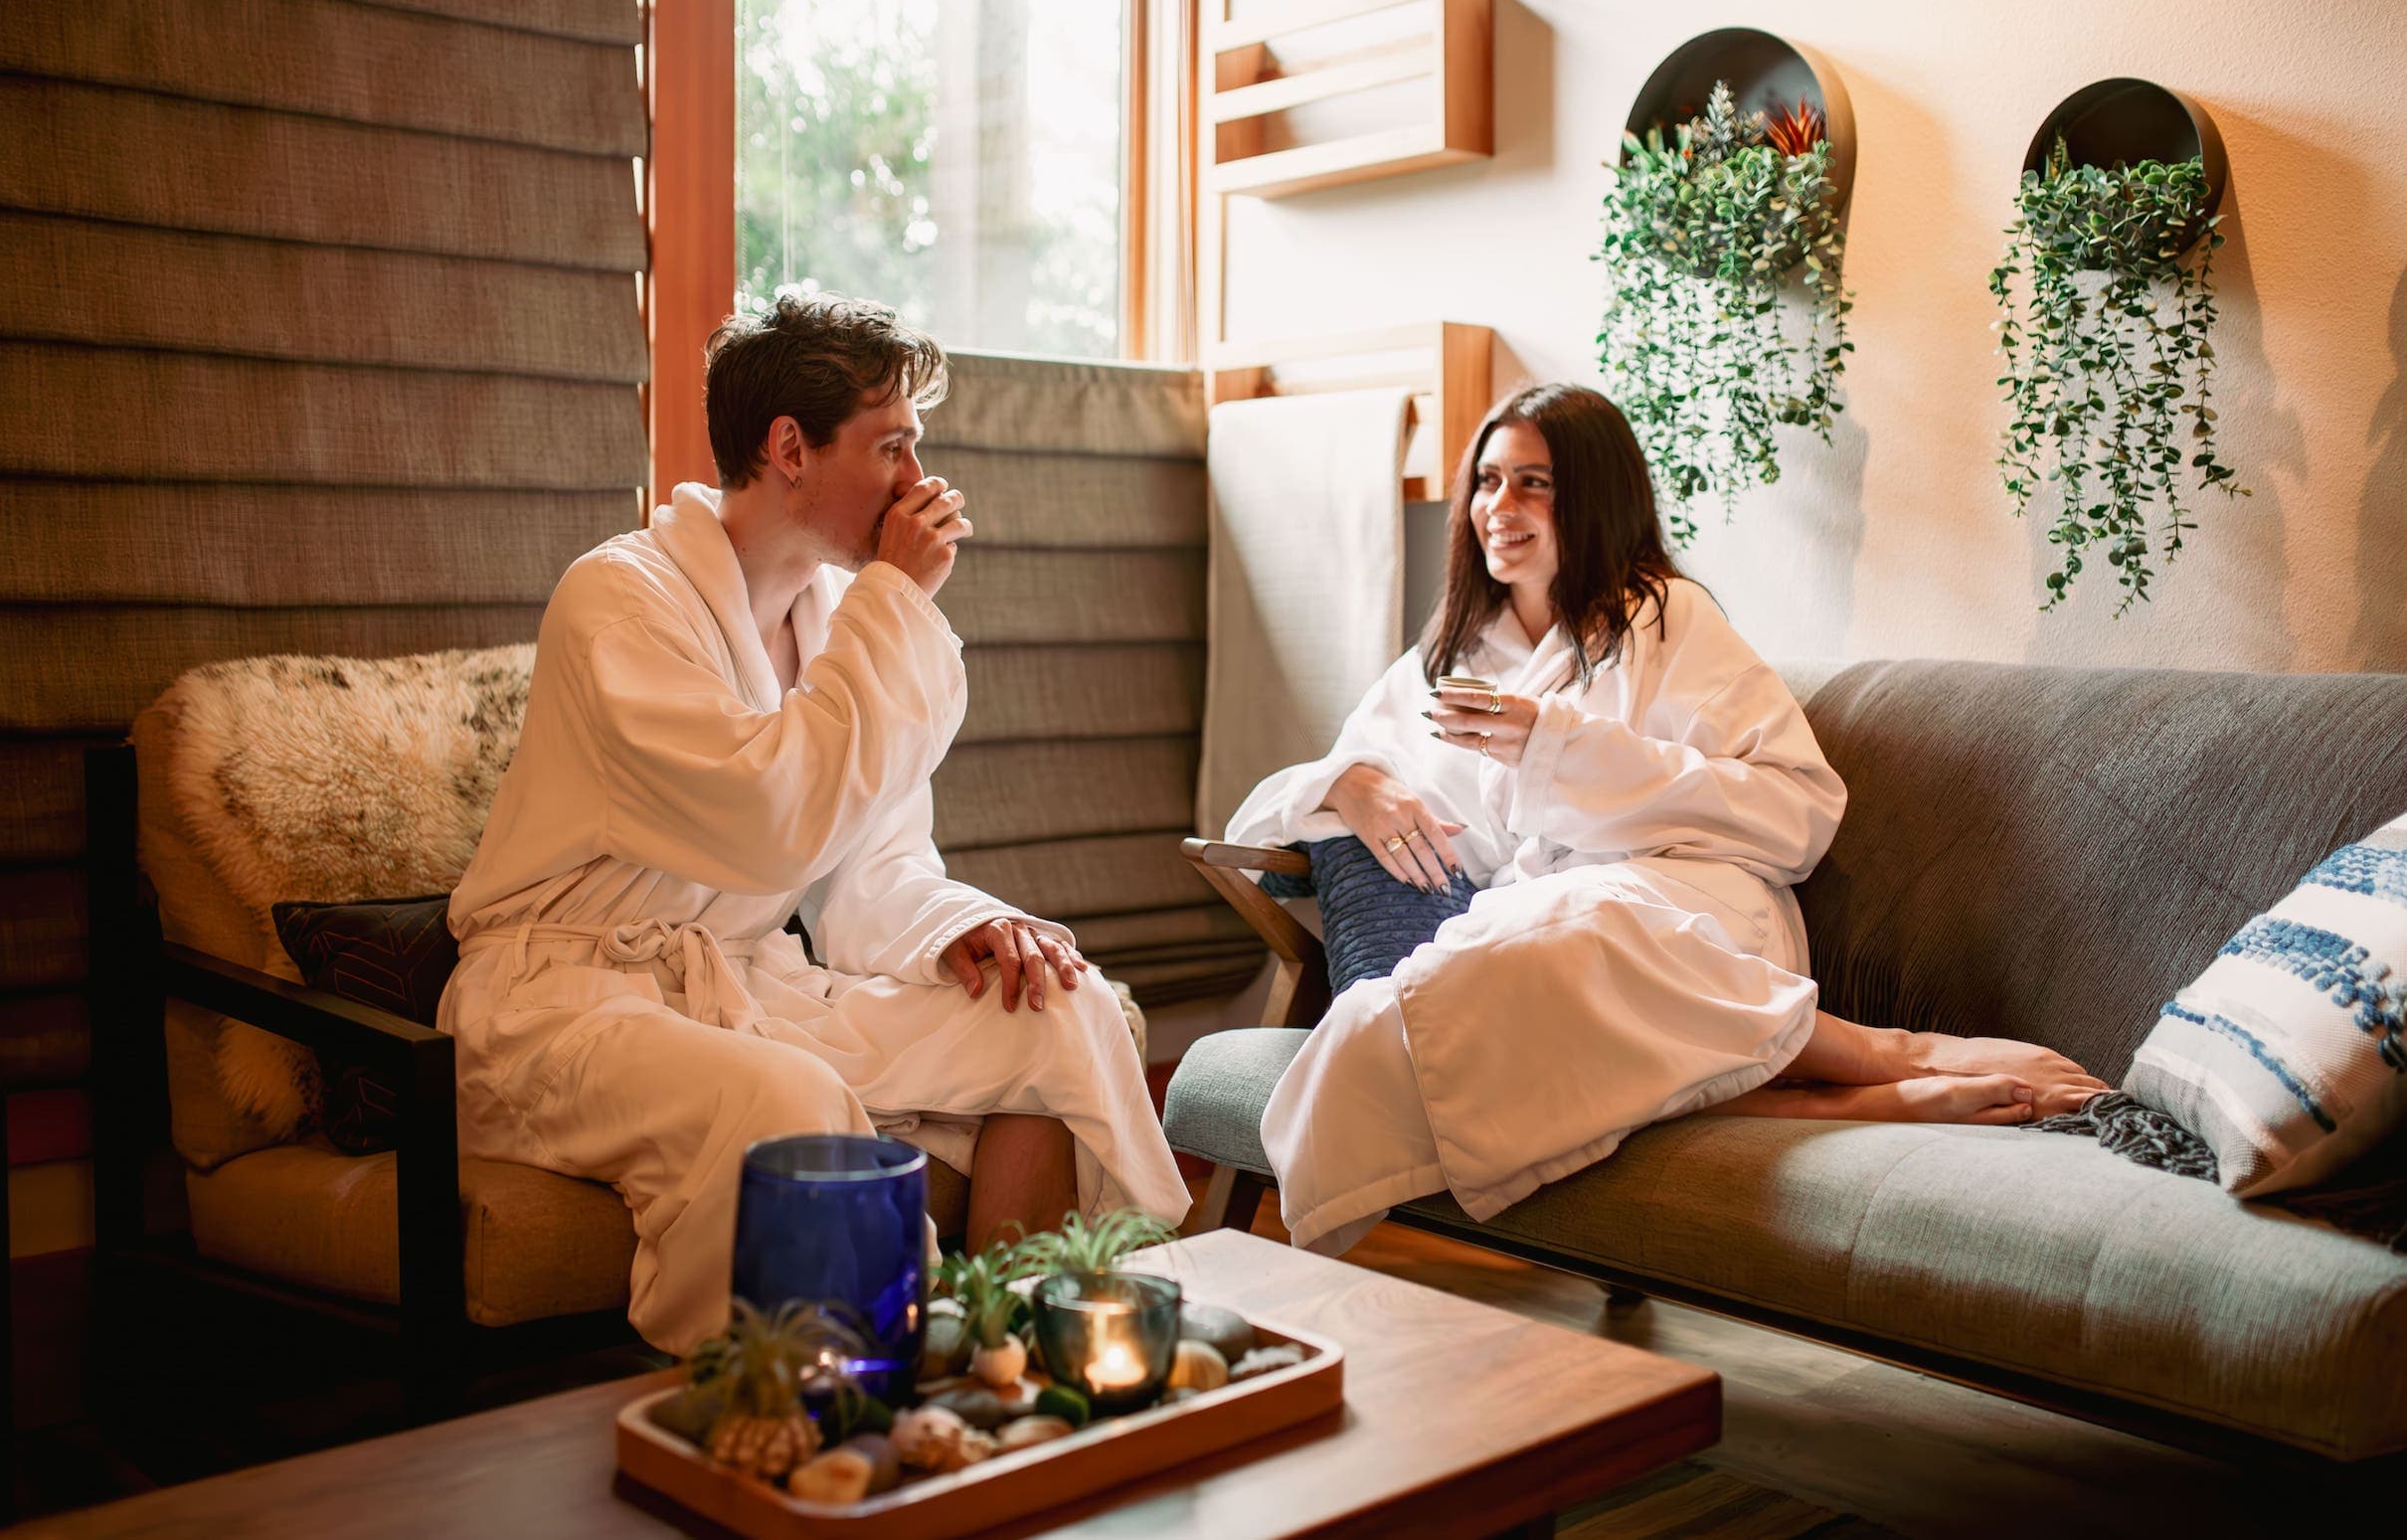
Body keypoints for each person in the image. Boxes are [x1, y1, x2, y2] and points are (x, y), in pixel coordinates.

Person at [439, 292, 1189, 1352]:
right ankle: (844, 1400)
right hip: (563, 1001)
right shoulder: (619, 598)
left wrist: (959, 926)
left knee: (1057, 1009)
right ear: (789, 445)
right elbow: (768, 820)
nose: (917, 484)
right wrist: (898, 598)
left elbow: (871, 863)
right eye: (892, 445)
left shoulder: (838, 619)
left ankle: (1008, 1359)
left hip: (741, 979)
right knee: (780, 1096)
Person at [1225, 384, 2106, 1256]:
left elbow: (1797, 807)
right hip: (1527, 921)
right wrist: (1354, 784)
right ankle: (1793, 1100)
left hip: (1692, 907)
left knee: (1577, 929)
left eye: (1536, 482)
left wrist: (1558, 747)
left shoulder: (1665, 614)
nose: (1502, 506)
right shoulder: (1450, 655)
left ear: (1596, 493)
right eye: (1488, 481)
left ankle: (1895, 1056)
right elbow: (1294, 799)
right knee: (1441, 985)